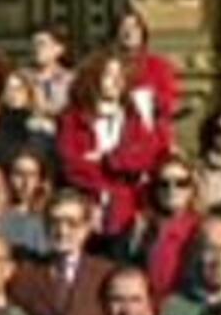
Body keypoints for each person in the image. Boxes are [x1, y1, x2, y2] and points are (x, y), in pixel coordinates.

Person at [56, 47, 170, 235]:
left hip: (131, 210)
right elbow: (73, 166)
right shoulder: (72, 119)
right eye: (109, 75)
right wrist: (119, 176)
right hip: (87, 209)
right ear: (93, 79)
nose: (117, 81)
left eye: (120, 74)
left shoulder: (134, 116)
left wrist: (109, 159)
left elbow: (147, 157)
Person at [8, 190, 116, 315]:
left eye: (72, 223)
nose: (62, 231)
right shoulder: (26, 274)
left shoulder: (106, 274)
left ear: (86, 228)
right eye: (55, 222)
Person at [113, 7, 182, 126]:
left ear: (142, 33)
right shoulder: (105, 65)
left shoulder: (159, 66)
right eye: (123, 27)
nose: (129, 32)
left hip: (150, 131)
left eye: (134, 27)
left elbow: (170, 103)